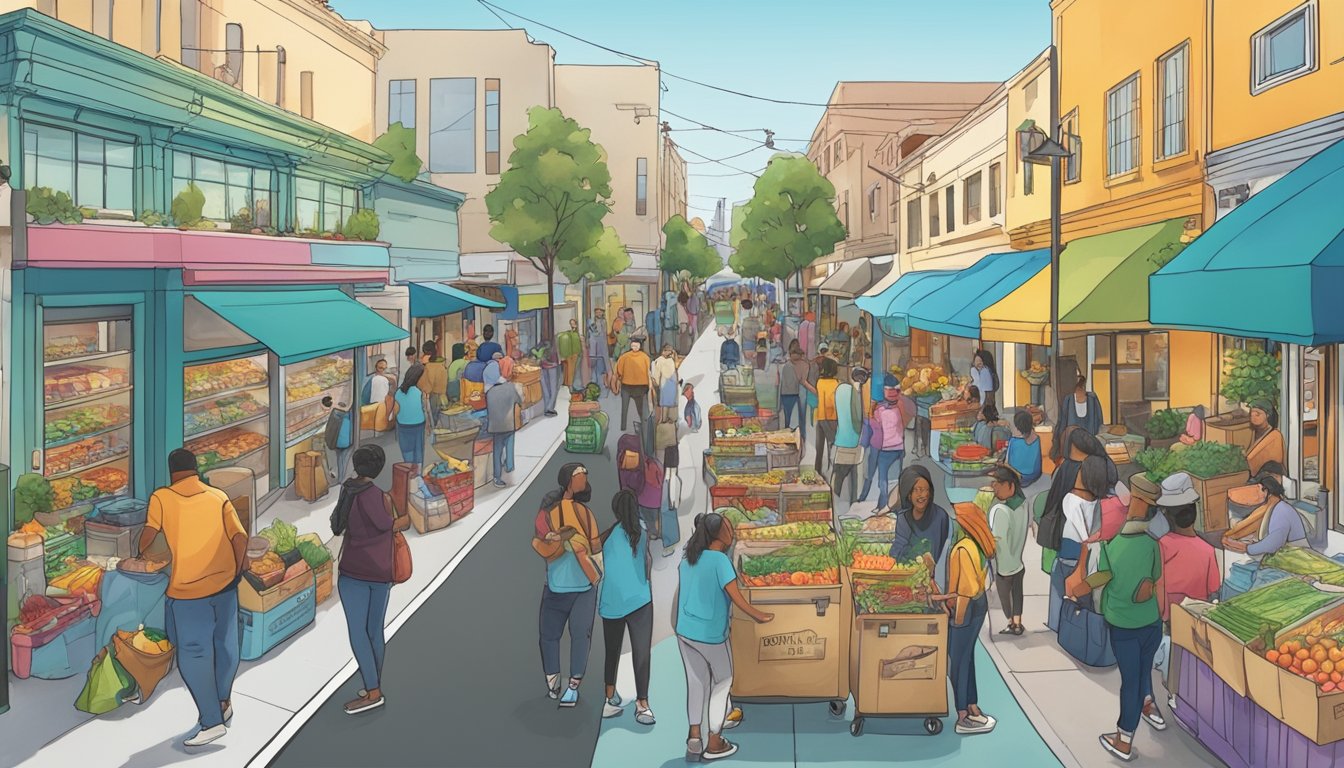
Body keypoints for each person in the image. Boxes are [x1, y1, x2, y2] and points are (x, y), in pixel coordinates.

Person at [139, 449, 247, 747]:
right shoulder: (218, 497)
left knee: (193, 653)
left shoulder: (162, 498)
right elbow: (240, 538)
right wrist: (236, 571)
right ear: (196, 469)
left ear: (172, 472)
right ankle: (223, 703)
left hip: (187, 592)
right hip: (225, 586)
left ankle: (211, 722)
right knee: (225, 645)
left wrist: (146, 551)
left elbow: (148, 541)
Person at [676, 513, 774, 761]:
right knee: (723, 683)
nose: (732, 532)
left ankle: (694, 739)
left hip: (686, 631)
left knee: (696, 683)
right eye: (729, 529)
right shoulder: (720, 561)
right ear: (719, 534)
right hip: (710, 634)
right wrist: (758, 615)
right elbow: (736, 597)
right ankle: (715, 741)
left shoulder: (688, 557)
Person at [1086, 479, 1165, 762]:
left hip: (1124, 626)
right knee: (1142, 674)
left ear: (1139, 503)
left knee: (1130, 681)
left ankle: (1123, 740)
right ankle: (1149, 708)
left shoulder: (1112, 545)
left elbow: (1102, 578)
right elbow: (1153, 581)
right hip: (1152, 623)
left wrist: (1080, 587)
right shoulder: (1153, 545)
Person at [331, 444, 409, 715]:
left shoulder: (348, 490)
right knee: (375, 630)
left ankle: (373, 690)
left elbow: (336, 525)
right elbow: (387, 525)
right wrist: (404, 519)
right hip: (381, 570)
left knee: (357, 631)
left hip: (353, 570)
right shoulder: (377, 496)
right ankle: (373, 684)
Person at [531, 464, 603, 708]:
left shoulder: (567, 512)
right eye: (581, 473)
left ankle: (559, 683)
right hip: (577, 585)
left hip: (559, 584)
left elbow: (541, 541)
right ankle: (569, 685)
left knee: (550, 635)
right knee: (579, 635)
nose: (586, 476)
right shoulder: (581, 513)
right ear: (569, 481)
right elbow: (596, 548)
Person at [930, 503, 998, 735]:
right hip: (978, 605)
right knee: (967, 658)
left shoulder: (962, 549)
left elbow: (965, 591)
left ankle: (962, 716)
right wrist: (942, 595)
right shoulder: (978, 547)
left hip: (966, 609)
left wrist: (957, 619)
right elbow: (970, 587)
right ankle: (972, 707)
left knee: (958, 662)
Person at [598, 490, 655, 724]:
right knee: (641, 654)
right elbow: (648, 563)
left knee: (612, 651)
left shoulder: (608, 535)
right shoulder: (641, 534)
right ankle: (643, 705)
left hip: (612, 600)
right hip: (639, 600)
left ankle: (609, 699)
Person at [1048, 454, 1108, 633]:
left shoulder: (1071, 499)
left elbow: (1084, 537)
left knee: (1061, 593)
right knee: (1084, 598)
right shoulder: (1101, 501)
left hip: (1071, 553)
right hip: (1090, 556)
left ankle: (1059, 628)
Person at [1223, 465, 1310, 558]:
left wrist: (1247, 548)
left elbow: (1274, 543)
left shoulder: (1281, 510)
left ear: (1266, 490)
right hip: (1287, 554)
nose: (1256, 494)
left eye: (1258, 489)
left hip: (1297, 555)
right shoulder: (1273, 506)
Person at [1157, 498, 1220, 625]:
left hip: (1169, 611)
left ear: (1169, 517)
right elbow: (1213, 586)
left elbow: (1157, 581)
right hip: (1196, 611)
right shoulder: (1208, 549)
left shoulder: (1163, 544)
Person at [987, 465, 1029, 636]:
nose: (994, 488)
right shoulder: (1023, 504)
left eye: (998, 484)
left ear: (1010, 485)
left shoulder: (1000, 511)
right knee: (1018, 593)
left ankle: (1011, 623)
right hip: (1018, 562)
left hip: (1004, 566)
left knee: (1006, 597)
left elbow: (998, 541)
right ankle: (1018, 623)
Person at [888, 465, 951, 566]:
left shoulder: (940, 517)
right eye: (915, 490)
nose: (920, 495)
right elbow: (896, 552)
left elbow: (939, 554)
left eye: (923, 490)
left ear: (929, 492)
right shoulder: (903, 518)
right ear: (909, 495)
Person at [866, 376, 911, 511]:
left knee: (883, 480)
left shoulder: (879, 410)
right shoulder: (900, 407)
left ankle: (885, 506)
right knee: (896, 479)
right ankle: (888, 505)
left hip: (885, 449)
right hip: (898, 447)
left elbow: (874, 426)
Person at [485, 361, 524, 488]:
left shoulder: (489, 393)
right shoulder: (510, 387)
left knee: (497, 450)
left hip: (495, 426)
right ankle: (509, 466)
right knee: (510, 444)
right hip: (508, 424)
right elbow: (519, 400)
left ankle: (497, 476)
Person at [831, 367, 867, 504]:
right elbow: (857, 417)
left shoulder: (840, 389)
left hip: (841, 438)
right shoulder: (857, 393)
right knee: (853, 473)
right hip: (854, 439)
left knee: (839, 471)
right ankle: (853, 501)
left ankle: (834, 498)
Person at [1052, 375, 1104, 462]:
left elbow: (1099, 422)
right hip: (1072, 448)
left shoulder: (1092, 398)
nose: (1081, 389)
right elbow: (1062, 423)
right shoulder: (1068, 400)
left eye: (1082, 386)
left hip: (1090, 448)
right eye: (1079, 386)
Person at [389, 367, 428, 467]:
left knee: (407, 449)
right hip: (418, 425)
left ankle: (409, 469)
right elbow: (425, 410)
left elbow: (396, 411)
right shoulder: (420, 392)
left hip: (403, 425)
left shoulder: (398, 392)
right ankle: (418, 472)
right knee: (418, 449)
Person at [615, 339, 653, 431]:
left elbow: (618, 370)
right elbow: (649, 371)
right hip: (641, 386)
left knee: (624, 408)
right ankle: (644, 426)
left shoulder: (624, 357)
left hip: (627, 386)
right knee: (641, 409)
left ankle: (623, 426)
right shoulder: (645, 357)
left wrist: (620, 378)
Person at [1245, 399, 1286, 480]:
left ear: (1267, 415)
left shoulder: (1275, 435)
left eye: (1257, 414)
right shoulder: (1251, 433)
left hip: (1268, 480)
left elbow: (1274, 463)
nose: (1253, 417)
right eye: (1251, 414)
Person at [813, 356, 840, 475]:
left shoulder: (820, 382)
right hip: (832, 417)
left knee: (819, 447)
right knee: (832, 445)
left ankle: (817, 471)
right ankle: (832, 470)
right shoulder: (836, 383)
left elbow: (821, 400)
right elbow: (835, 402)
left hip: (821, 417)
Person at [780, 343, 811, 442]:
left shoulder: (788, 365)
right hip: (792, 392)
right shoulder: (800, 365)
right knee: (799, 417)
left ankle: (792, 436)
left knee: (788, 417)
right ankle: (801, 437)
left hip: (787, 393)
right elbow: (802, 380)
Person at [1004, 410, 1043, 487]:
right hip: (1034, 475)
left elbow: (1007, 463)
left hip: (1017, 477)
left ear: (1017, 427)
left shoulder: (1013, 441)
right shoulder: (1038, 439)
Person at [321, 395, 354, 481]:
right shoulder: (350, 412)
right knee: (343, 459)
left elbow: (330, 431)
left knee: (338, 457)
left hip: (339, 441)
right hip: (348, 439)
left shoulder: (336, 413)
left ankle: (339, 477)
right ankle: (341, 478)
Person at [420, 340, 448, 430]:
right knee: (438, 416)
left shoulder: (428, 366)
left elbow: (426, 385)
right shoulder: (442, 364)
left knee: (432, 418)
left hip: (432, 395)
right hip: (442, 394)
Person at [652, 344, 680, 420]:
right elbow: (657, 372)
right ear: (663, 351)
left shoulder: (671, 360)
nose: (669, 352)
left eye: (670, 351)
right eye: (667, 351)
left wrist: (676, 381)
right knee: (665, 402)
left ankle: (672, 418)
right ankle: (664, 418)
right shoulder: (659, 360)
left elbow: (675, 368)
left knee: (672, 401)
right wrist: (656, 382)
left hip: (672, 383)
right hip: (665, 382)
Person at [588, 308, 611, 390]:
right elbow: (594, 333)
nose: (598, 313)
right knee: (594, 365)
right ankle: (595, 383)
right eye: (597, 312)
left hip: (602, 346)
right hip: (594, 346)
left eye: (600, 312)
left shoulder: (603, 321)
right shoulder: (591, 321)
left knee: (604, 365)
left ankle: (604, 383)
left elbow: (601, 333)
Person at [558, 318, 584, 391]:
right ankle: (568, 384)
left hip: (573, 353)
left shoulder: (575, 333)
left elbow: (577, 344)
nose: (572, 325)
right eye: (571, 323)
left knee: (571, 369)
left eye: (573, 323)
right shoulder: (570, 333)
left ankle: (569, 384)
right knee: (569, 369)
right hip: (569, 353)